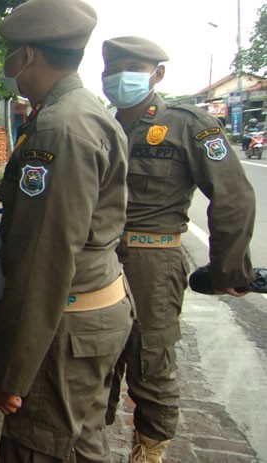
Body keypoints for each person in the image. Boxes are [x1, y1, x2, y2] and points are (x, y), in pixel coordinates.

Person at [0, 0, 133, 461]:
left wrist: (12, 371)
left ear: (27, 55)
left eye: (11, 54)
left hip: (67, 323)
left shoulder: (57, 129)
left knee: (39, 447)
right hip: (97, 310)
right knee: (82, 442)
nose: (10, 64)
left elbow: (43, 263)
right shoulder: (88, 111)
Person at [101, 36, 256, 463]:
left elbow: (234, 198)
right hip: (95, 260)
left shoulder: (188, 123)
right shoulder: (99, 124)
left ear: (158, 74)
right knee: (93, 358)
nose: (119, 75)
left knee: (149, 365)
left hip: (151, 261)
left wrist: (228, 273)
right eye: (112, 67)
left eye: (132, 66)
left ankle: (148, 454)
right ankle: (91, 444)